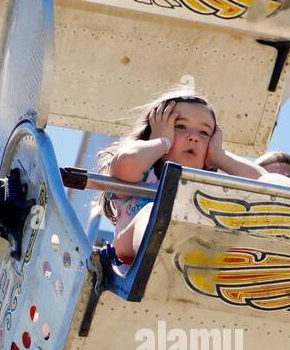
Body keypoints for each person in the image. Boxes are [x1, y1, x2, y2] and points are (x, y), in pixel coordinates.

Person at [99, 89, 277, 262]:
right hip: (132, 259)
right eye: (181, 126)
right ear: (154, 131)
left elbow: (272, 188)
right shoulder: (143, 174)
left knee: (274, 184)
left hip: (196, 258)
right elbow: (126, 162)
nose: (193, 137)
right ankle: (158, 258)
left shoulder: (209, 190)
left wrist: (219, 156)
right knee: (154, 212)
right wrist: (162, 141)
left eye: (204, 132)